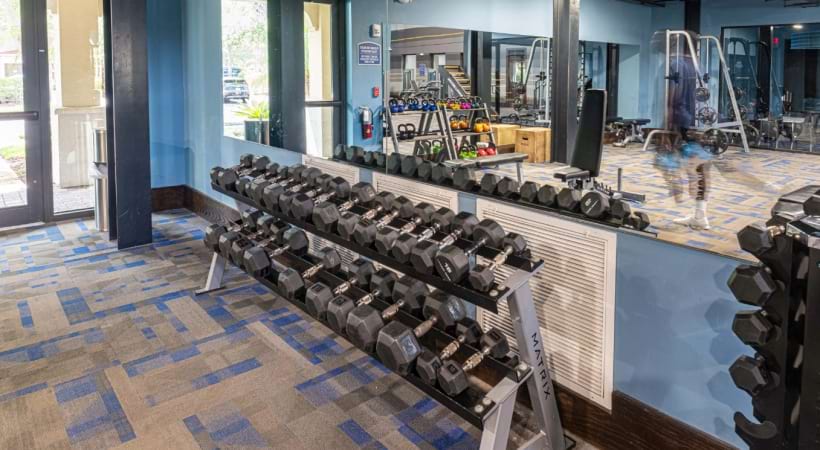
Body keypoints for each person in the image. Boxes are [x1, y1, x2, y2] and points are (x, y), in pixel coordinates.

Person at [652, 31, 713, 230]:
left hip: (681, 123)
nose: (655, 42)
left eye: (658, 40)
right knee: (700, 168)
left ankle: (682, 197)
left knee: (669, 163)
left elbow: (672, 99)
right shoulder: (698, 65)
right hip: (697, 122)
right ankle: (700, 215)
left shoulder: (674, 64)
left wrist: (666, 130)